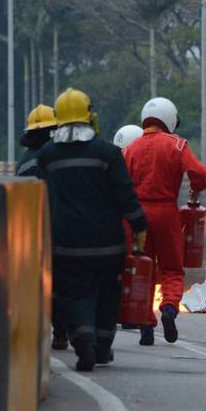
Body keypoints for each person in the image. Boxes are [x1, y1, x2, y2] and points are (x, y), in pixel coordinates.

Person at [37, 88, 147, 371]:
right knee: (107, 296)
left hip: (66, 245)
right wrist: (139, 226)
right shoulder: (107, 152)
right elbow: (125, 194)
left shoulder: (48, 156)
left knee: (73, 295)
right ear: (89, 116)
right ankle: (102, 347)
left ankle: (84, 344)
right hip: (108, 244)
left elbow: (39, 198)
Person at [123, 96, 206, 345]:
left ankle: (145, 327)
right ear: (170, 119)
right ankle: (169, 309)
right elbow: (201, 174)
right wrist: (196, 189)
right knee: (171, 269)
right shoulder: (177, 145)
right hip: (166, 214)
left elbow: (118, 185)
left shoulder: (131, 148)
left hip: (137, 217)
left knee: (144, 270)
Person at [17, 104, 70, 353]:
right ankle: (61, 332)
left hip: (31, 231)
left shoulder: (24, 162)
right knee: (60, 283)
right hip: (57, 228)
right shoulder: (57, 158)